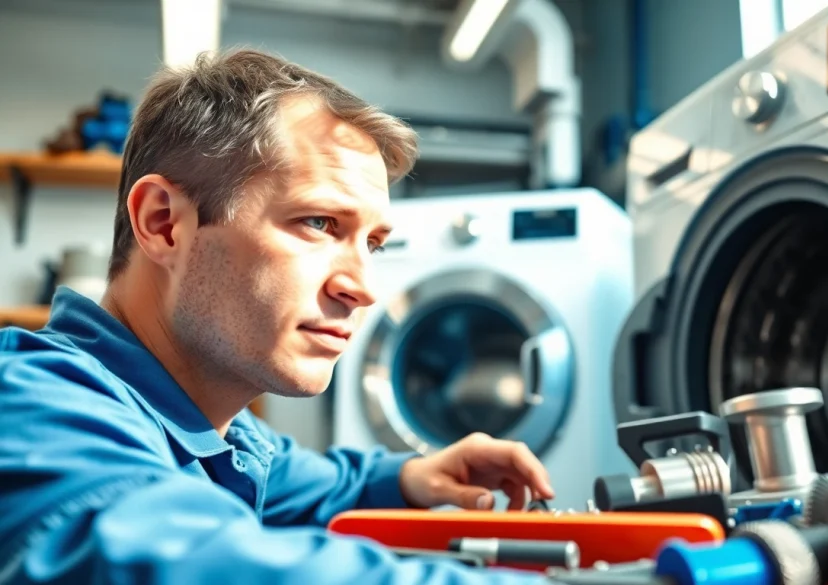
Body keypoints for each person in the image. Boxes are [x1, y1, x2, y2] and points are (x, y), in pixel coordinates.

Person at [0, 49, 559, 585]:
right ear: (164, 223)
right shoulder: (32, 406)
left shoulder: (221, 430)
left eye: (374, 244)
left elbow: (331, 485)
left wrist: (414, 476)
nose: (363, 289)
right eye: (318, 223)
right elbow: (172, 564)